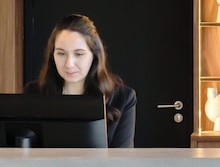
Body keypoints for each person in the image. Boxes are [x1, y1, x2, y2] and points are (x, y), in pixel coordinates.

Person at [25, 13, 137, 148]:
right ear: (52, 55)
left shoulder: (123, 98)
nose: (69, 64)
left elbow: (122, 157)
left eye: (78, 54)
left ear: (94, 56)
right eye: (61, 53)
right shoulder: (34, 93)